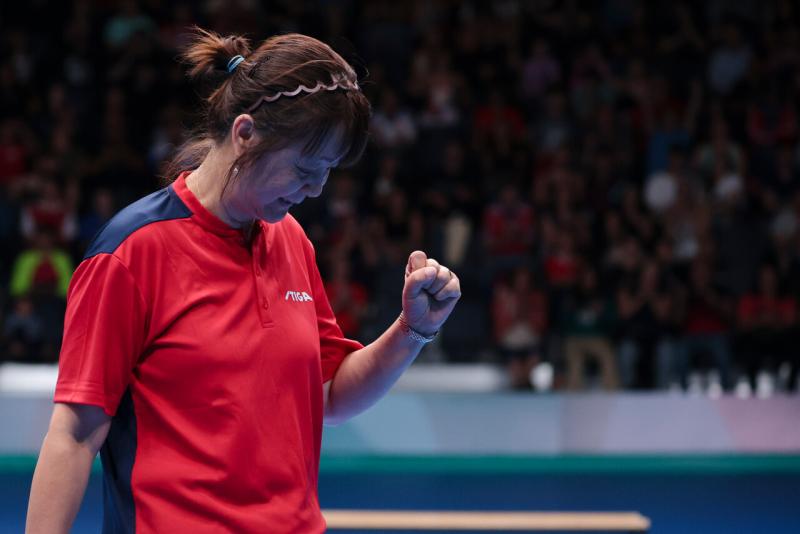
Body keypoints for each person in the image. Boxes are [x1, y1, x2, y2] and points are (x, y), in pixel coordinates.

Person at [26, 28, 461, 534]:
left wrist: (413, 329)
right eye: (304, 168)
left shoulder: (292, 240)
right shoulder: (131, 252)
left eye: (328, 172)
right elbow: (74, 437)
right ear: (245, 133)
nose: (316, 189)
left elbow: (328, 397)